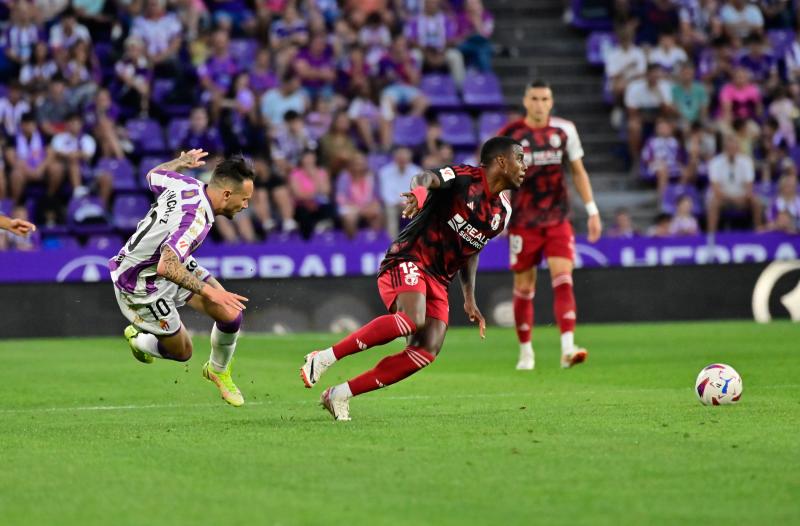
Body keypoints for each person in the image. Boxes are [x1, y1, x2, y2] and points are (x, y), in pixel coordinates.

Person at [299, 137, 526, 421]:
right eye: (520, 158)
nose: (524, 166)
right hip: (409, 257)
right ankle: (323, 358)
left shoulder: (502, 214)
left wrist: (469, 298)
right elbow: (425, 177)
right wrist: (419, 192)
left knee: (427, 350)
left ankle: (340, 394)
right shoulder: (463, 178)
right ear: (502, 161)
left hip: (439, 280)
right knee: (411, 319)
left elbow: (472, 249)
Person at [110, 150, 253, 407]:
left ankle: (218, 370)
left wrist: (179, 163)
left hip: (166, 258)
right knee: (183, 352)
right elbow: (167, 266)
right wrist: (209, 292)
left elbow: (153, 176)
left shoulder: (187, 182)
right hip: (141, 282)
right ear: (227, 194)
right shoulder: (196, 220)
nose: (246, 205)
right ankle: (139, 338)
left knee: (230, 313)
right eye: (245, 199)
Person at [498, 80, 602, 371]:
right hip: (522, 221)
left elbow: (578, 172)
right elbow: (494, 178)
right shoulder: (510, 135)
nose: (540, 104)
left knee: (564, 279)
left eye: (545, 98)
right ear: (525, 101)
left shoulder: (564, 130)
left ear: (552, 101)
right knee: (524, 287)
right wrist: (498, 213)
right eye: (535, 98)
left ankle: (568, 349)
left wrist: (592, 210)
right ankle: (526, 353)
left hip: (557, 218)